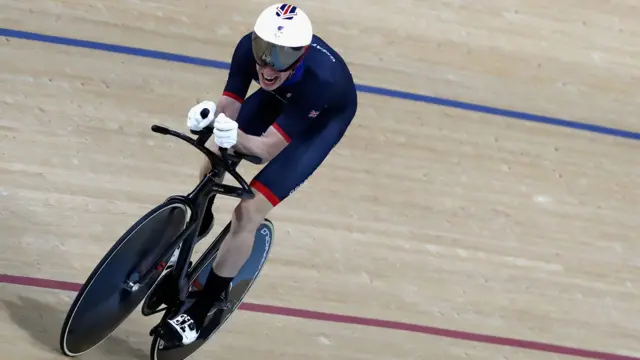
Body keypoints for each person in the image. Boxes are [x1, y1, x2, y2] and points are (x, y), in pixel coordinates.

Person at [162, 3, 358, 345]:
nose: (267, 65)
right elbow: (228, 111)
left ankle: (203, 307)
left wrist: (233, 136)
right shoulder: (246, 51)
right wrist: (211, 120)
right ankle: (201, 217)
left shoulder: (320, 81)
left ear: (300, 57)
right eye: (263, 50)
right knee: (217, 151)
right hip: (283, 97)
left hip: (319, 119)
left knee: (249, 210)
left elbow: (266, 149)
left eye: (280, 58)